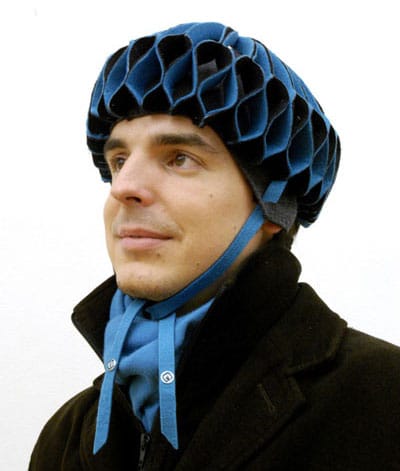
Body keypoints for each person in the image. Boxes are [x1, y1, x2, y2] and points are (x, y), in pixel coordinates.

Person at [29, 22, 400, 470]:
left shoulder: (382, 402)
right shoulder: (66, 438)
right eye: (119, 160)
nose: (123, 187)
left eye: (179, 158)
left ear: (274, 205)